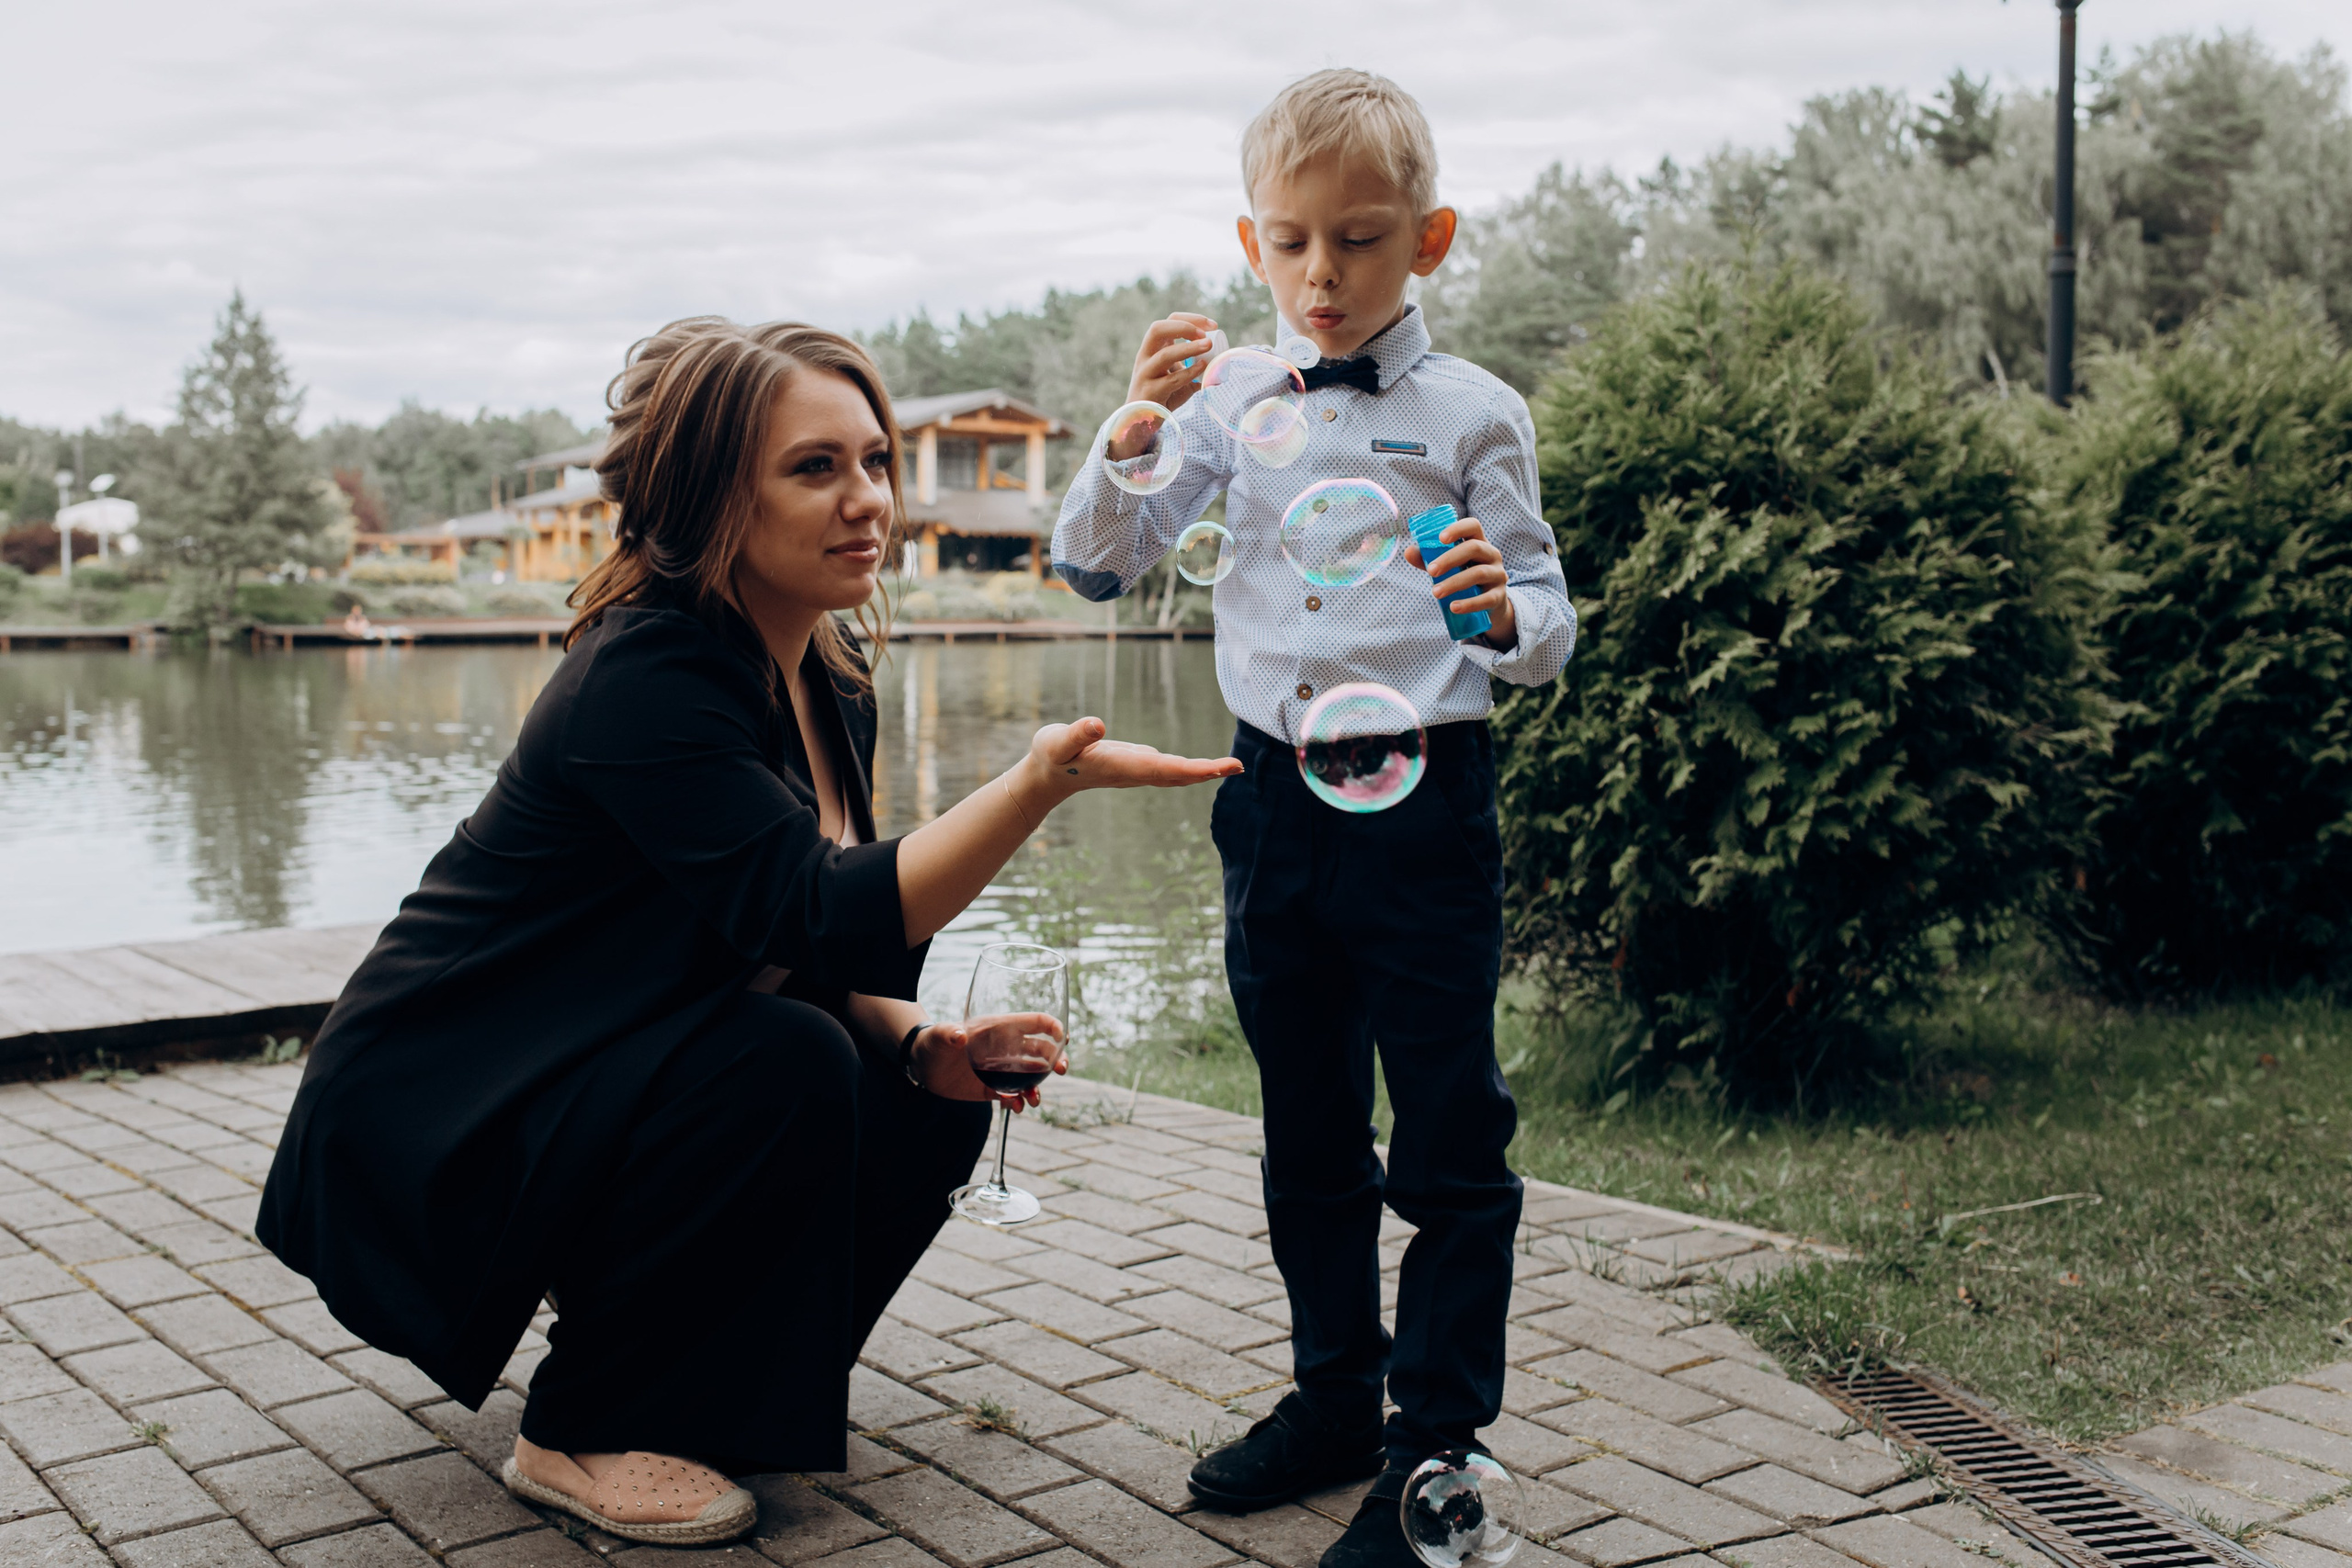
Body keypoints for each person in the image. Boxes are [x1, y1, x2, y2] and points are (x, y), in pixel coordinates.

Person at [258, 317, 1239, 1548]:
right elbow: (816, 908)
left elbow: (829, 956)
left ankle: (712, 1399)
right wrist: (1039, 782)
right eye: (814, 468)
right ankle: (585, 1425)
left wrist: (927, 1046)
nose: (867, 500)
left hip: (605, 1066)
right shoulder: (648, 675)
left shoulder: (830, 683)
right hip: (451, 1105)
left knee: (923, 1086)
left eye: (875, 461)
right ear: (715, 496)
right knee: (779, 1062)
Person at [1049, 69, 1577, 1568]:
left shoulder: (1478, 414)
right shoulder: (1225, 404)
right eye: (1290, 243)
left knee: (1453, 1136)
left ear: (1431, 238)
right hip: (1274, 799)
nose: (1322, 276)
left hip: (1426, 803)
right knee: (1307, 1129)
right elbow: (1100, 562)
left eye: (1357, 239)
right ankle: (1337, 1397)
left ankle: (1434, 1457)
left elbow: (1544, 621)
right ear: (1249, 243)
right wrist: (1131, 432)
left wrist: (1503, 615)